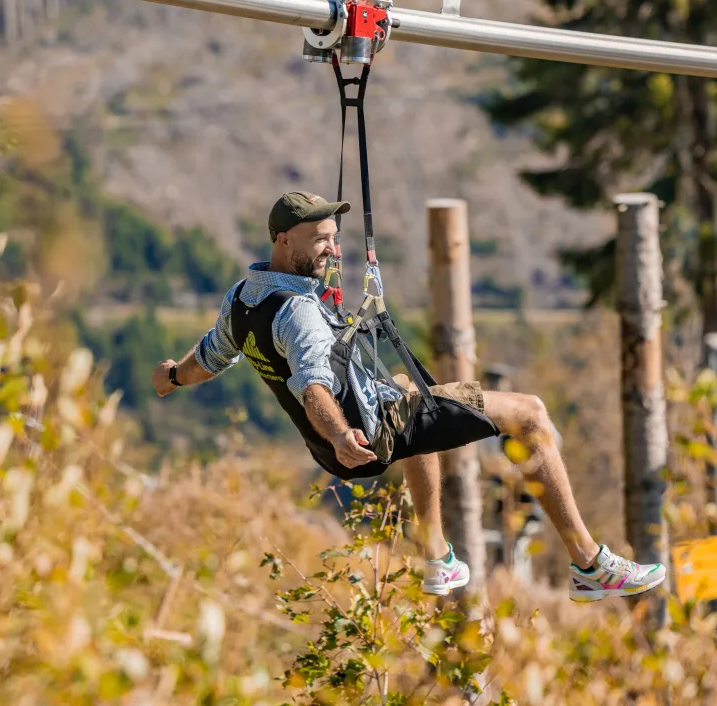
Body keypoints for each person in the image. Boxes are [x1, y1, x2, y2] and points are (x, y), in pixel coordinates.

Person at [150, 191, 666, 602]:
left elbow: (210, 358)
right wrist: (342, 433)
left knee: (405, 387)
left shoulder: (242, 299)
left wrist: (173, 377)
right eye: (320, 240)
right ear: (283, 240)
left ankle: (437, 556)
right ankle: (588, 563)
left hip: (334, 444)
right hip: (366, 435)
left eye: (334, 239)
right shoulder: (298, 312)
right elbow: (313, 388)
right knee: (530, 414)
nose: (332, 250)